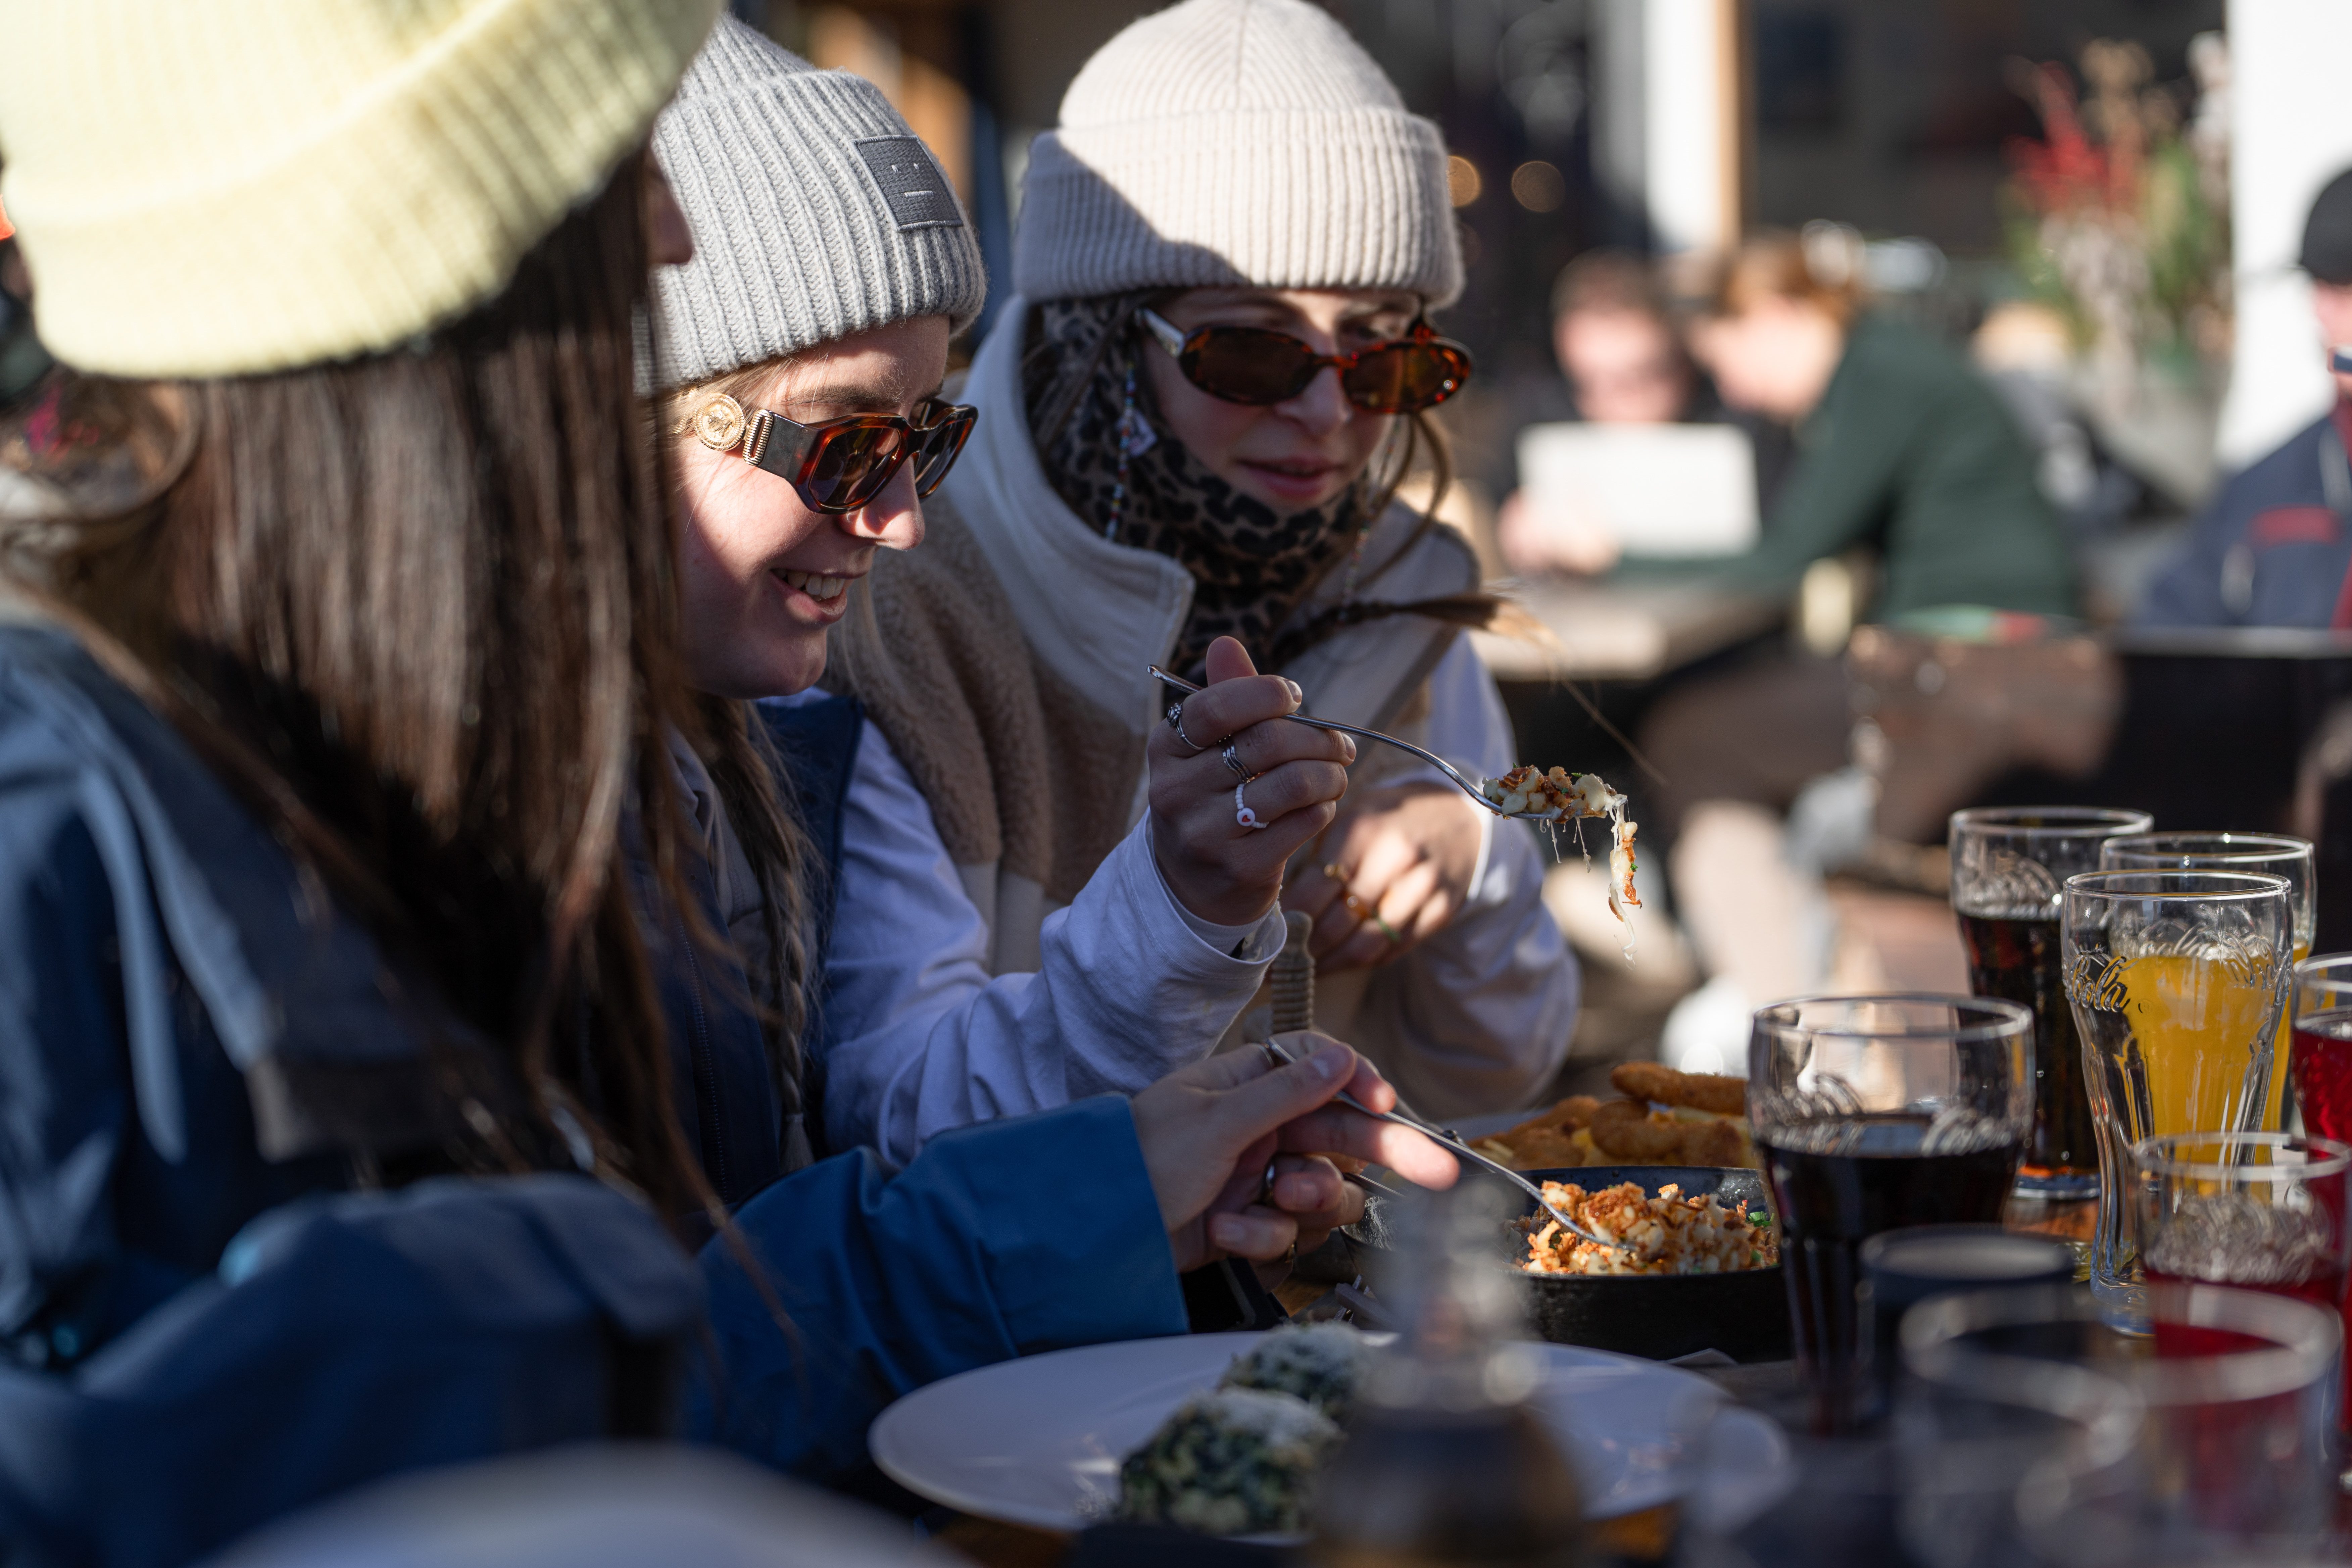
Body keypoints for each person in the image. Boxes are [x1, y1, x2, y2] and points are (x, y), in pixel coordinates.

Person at [0, 6, 1451, 1563]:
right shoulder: (64, 830)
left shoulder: (648, 762)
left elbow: (669, 1330)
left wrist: (1105, 1195)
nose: (899, 522)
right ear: (425, 336)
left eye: (929, 442)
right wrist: (1044, 1218)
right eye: (624, 220)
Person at [825, 0, 1580, 1137]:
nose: (1327, 413)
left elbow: (1492, 1080)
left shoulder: (1394, 586)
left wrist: (1476, 859)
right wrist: (1179, 913)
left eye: (1381, 350)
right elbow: (889, 1116)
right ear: (1100, 337)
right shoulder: (894, 597)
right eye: (1251, 349)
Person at [643, 18, 1347, 1176]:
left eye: (927, 437)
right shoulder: (451, 817)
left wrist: (1190, 900)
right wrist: (1111, 1212)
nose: (901, 518)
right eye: (843, 444)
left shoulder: (746, 731)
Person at [1633, 229, 2079, 1069]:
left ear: (1774, 312)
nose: (1735, 388)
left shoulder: (1878, 374)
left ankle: (1781, 1021)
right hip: (1977, 661)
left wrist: (1609, 552)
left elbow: (1779, 562)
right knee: (1707, 746)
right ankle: (1776, 1006)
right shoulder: (1882, 366)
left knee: (1692, 734)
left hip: (1986, 669)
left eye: (1728, 358)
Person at [2139, 167, 2352, 628]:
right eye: (2317, 287)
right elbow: (2171, 633)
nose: (2322, 314)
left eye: (2344, 287)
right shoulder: (2268, 485)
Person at [1489, 250, 1788, 577]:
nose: (1617, 404)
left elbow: (1778, 555)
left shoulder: (1740, 416)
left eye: (1639, 377)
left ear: (1681, 360)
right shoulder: (1541, 422)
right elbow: (1496, 510)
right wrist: (1511, 529)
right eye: (1590, 382)